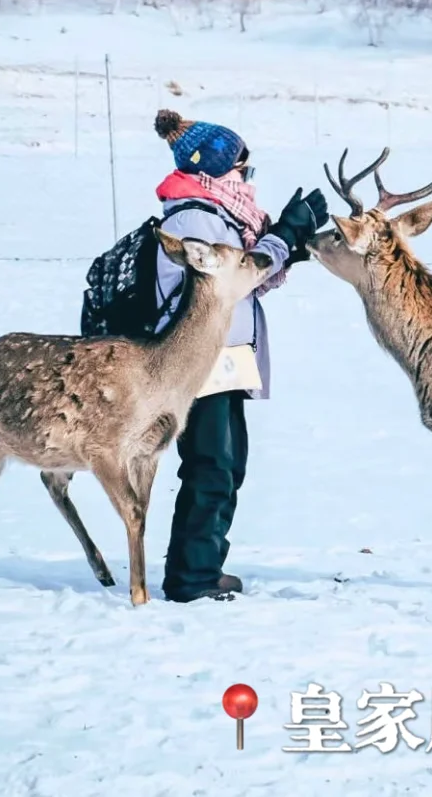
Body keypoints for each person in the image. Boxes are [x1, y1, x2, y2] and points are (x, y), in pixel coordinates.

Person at [152, 108, 328, 602]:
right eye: (241, 171)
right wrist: (285, 236)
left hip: (224, 353)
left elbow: (247, 281)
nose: (246, 181)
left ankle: (203, 565)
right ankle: (190, 578)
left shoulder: (217, 213)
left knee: (228, 466)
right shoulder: (192, 216)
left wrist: (289, 244)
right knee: (210, 465)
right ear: (212, 171)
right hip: (196, 359)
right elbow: (230, 282)